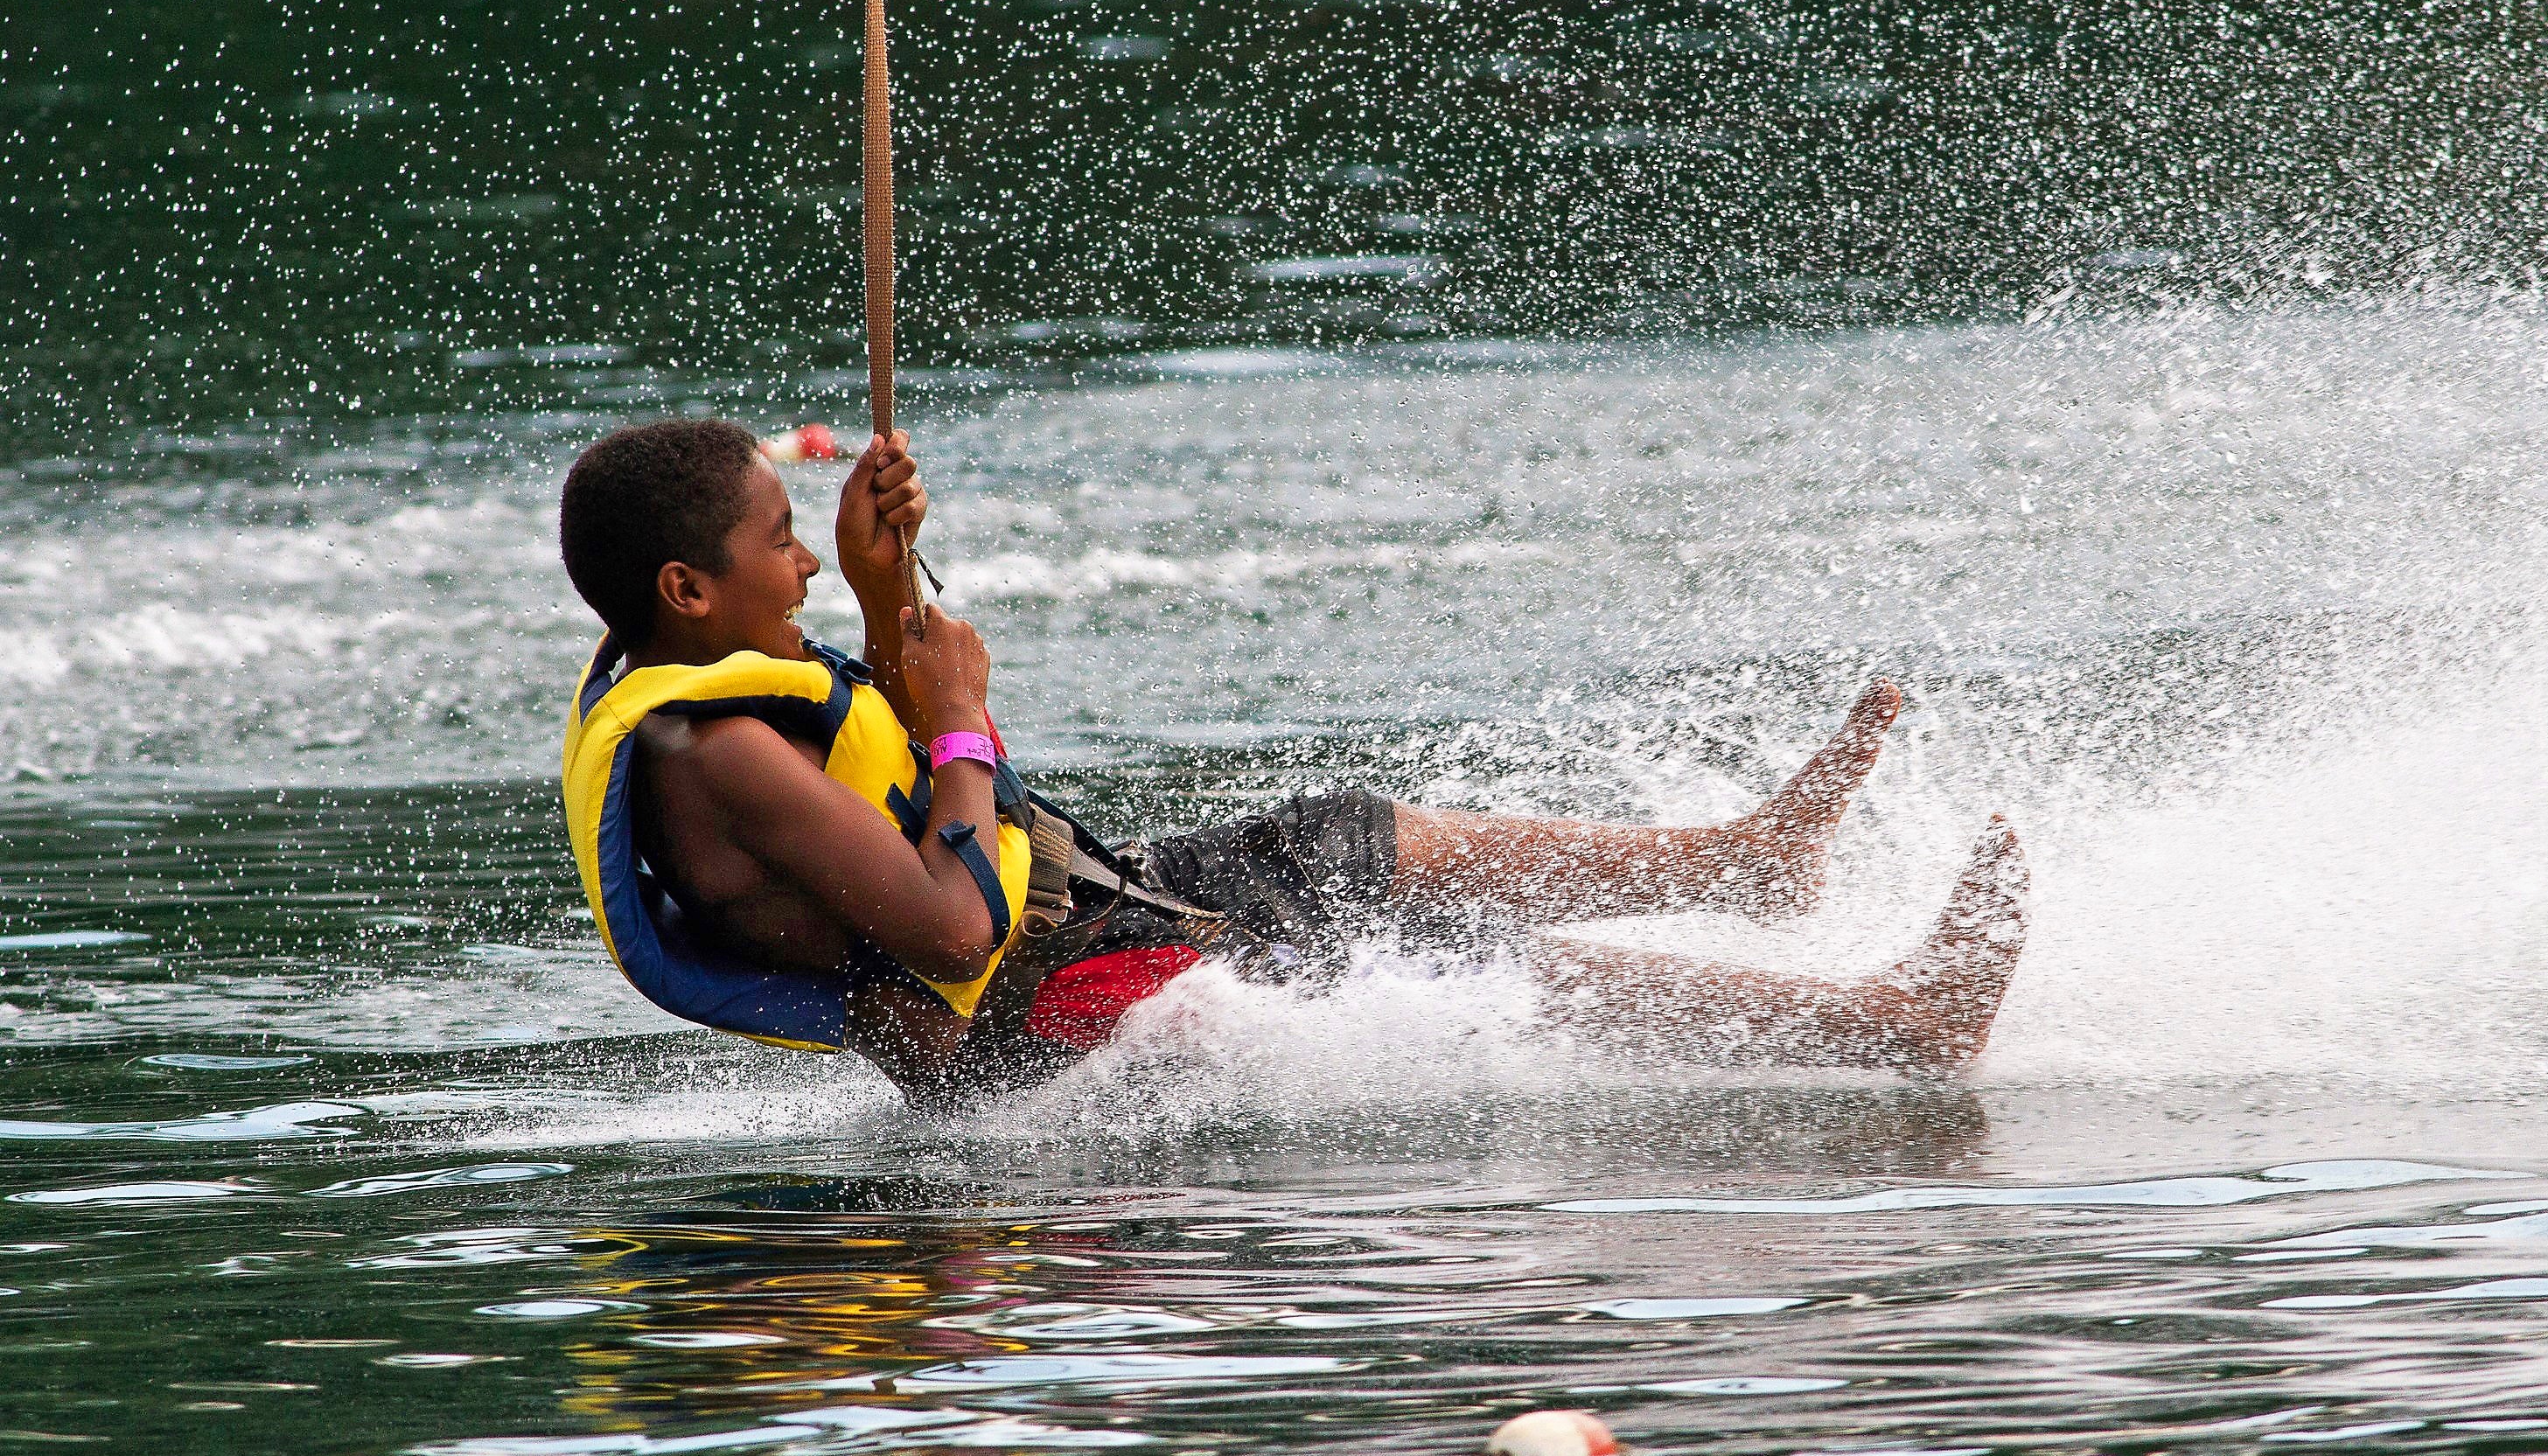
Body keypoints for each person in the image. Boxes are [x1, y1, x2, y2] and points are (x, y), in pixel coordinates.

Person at [557, 417, 2028, 1104]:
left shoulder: (711, 691)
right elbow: (951, 919)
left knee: (1349, 840)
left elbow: (906, 757)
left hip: (1085, 923)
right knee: (1418, 953)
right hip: (1040, 1031)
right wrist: (954, 719)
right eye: (779, 541)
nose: (802, 557)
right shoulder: (711, 754)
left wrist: (889, 597)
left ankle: (1744, 866)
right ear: (689, 592)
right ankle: (1891, 1025)